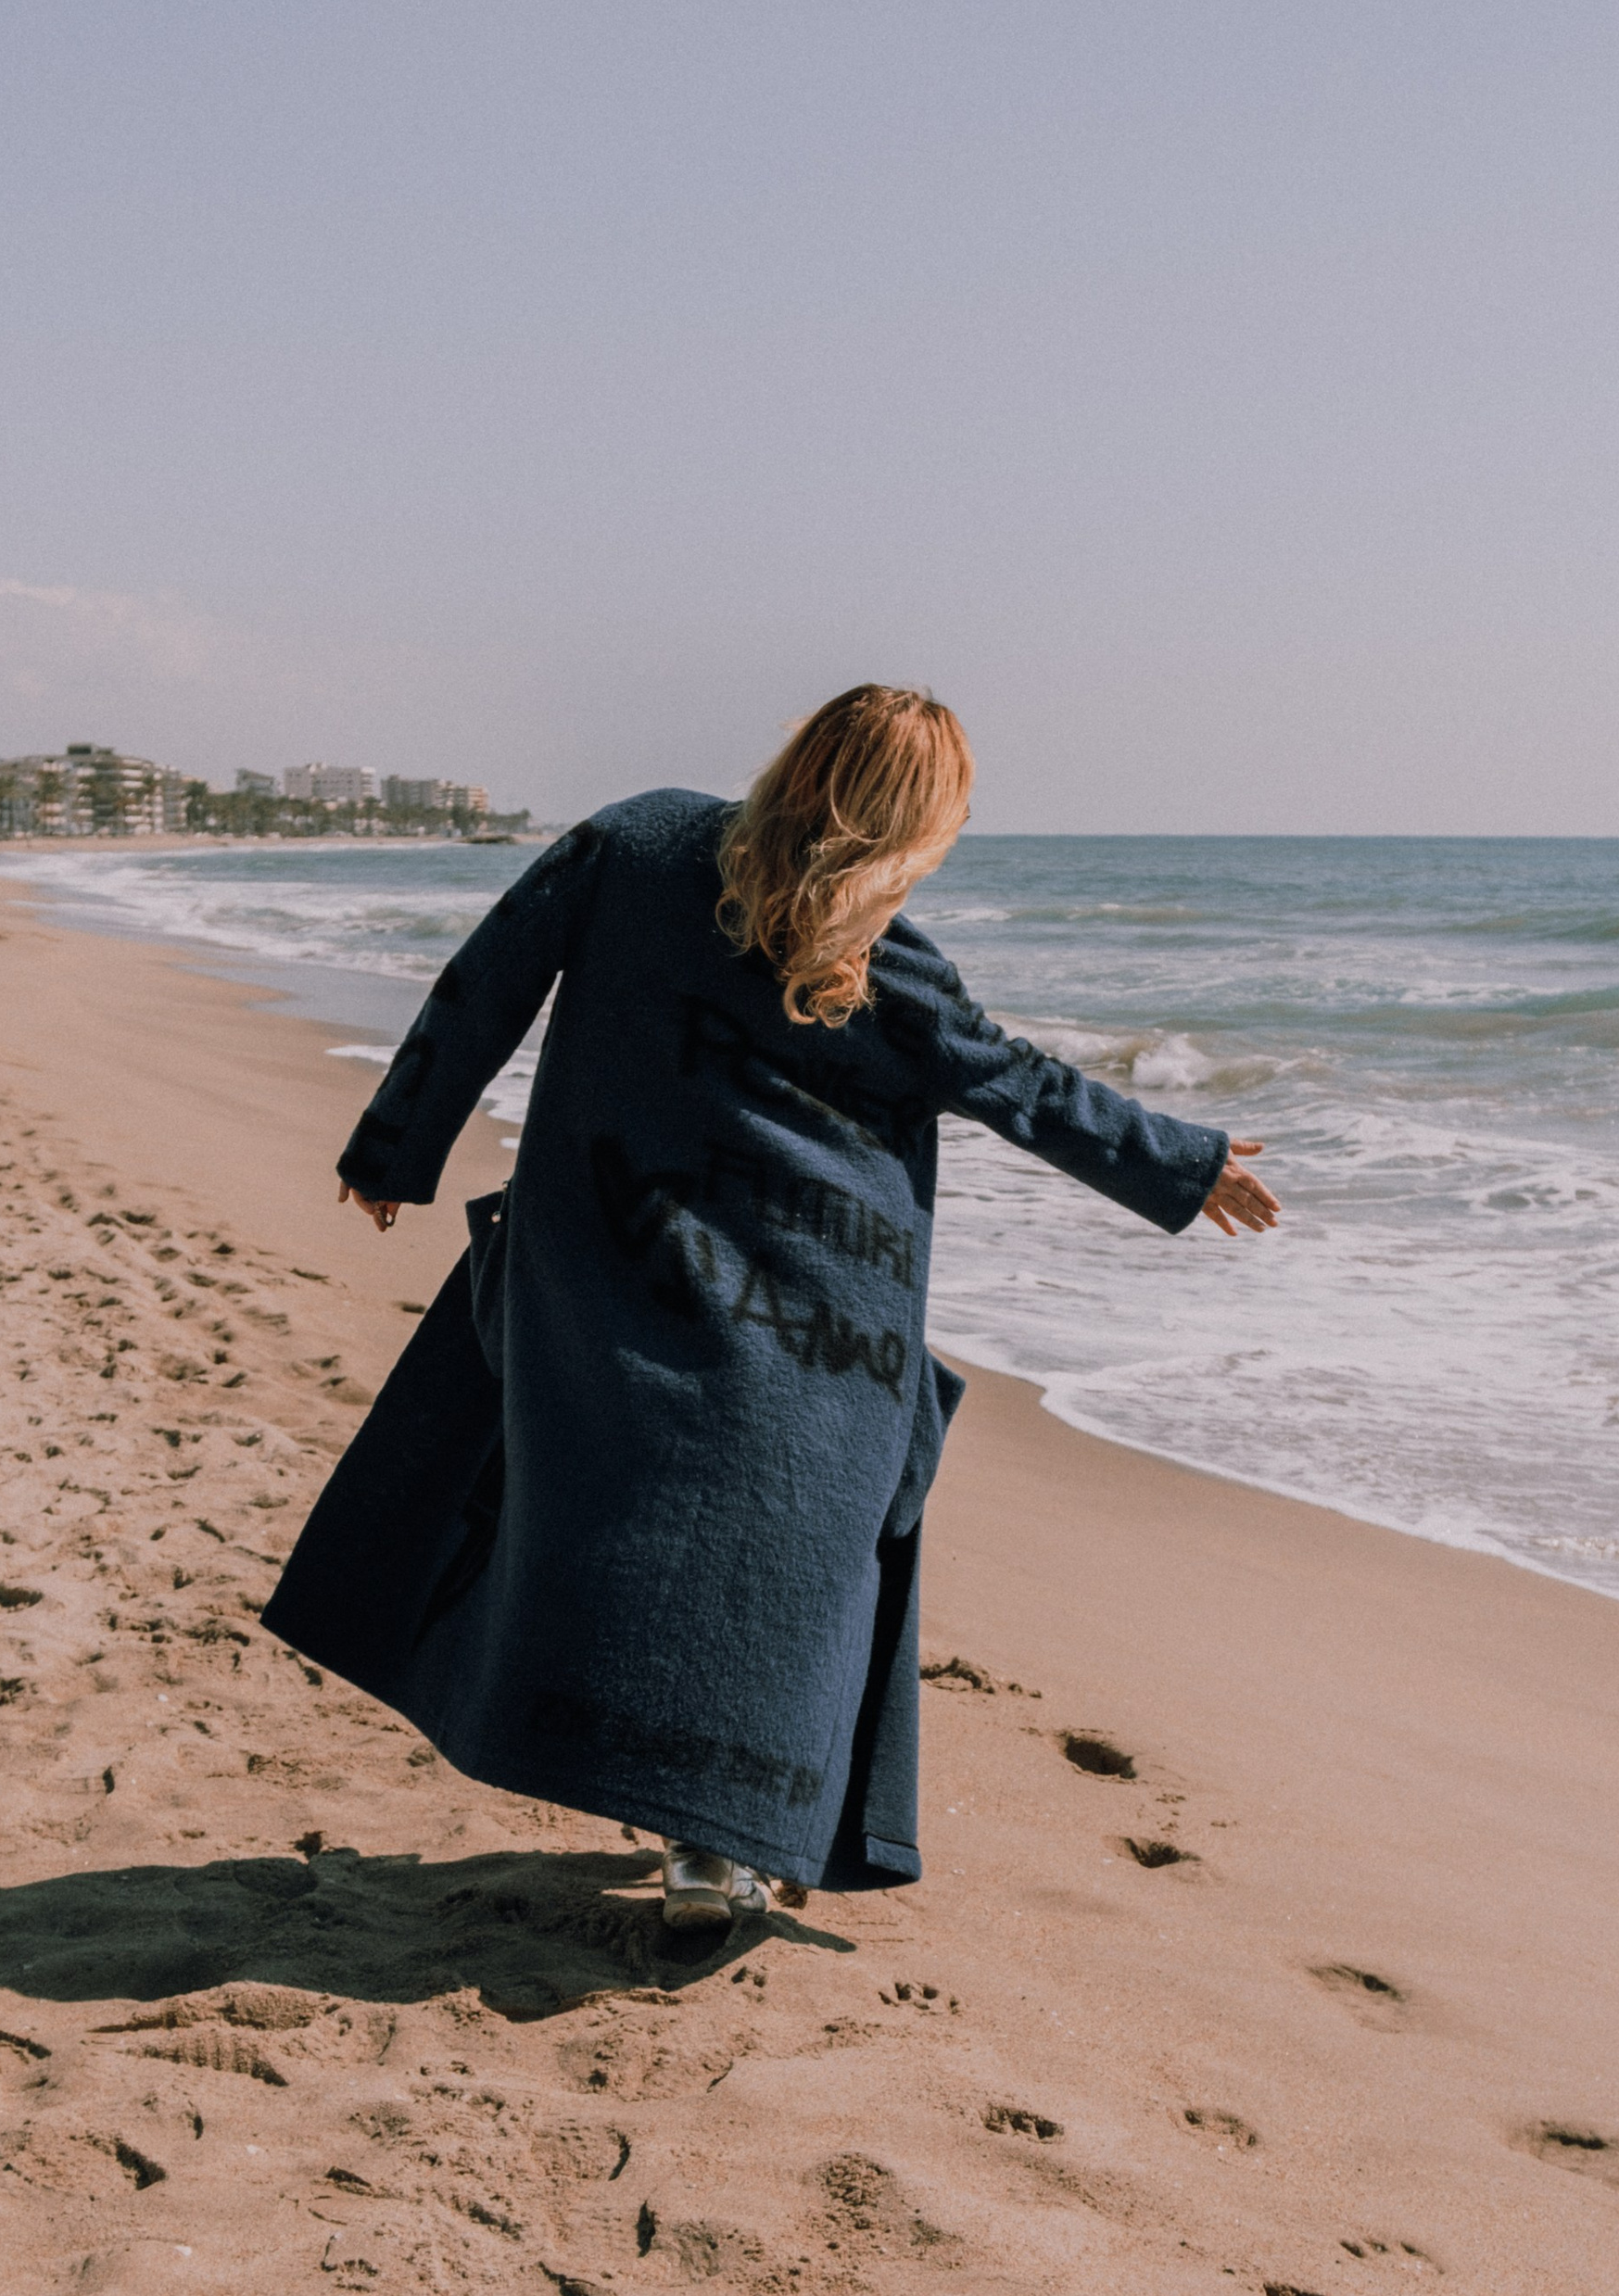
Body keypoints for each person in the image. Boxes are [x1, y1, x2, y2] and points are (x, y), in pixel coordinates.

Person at [261, 685, 1280, 1931]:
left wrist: (396, 1148)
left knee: (607, 1508)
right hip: (817, 1316)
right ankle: (713, 1843)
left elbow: (485, 981)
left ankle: (684, 1822)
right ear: (912, 827)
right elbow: (1023, 1087)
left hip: (614, 1258)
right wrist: (1185, 1166)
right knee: (791, 1565)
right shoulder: (887, 966)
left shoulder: (636, 842)